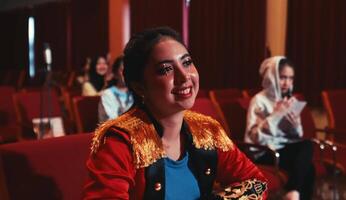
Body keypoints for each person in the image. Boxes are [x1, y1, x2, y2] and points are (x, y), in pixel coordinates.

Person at [83, 27, 268, 199]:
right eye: (166, 69)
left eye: (187, 62)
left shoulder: (207, 131)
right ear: (139, 86)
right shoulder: (120, 142)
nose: (184, 76)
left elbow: (257, 183)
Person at [244, 56, 315, 200]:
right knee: (308, 168)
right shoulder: (258, 100)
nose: (287, 83)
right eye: (283, 77)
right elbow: (254, 138)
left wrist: (295, 125)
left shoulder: (288, 100)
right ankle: (292, 193)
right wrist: (276, 115)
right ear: (272, 76)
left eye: (290, 78)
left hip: (282, 148)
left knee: (308, 156)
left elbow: (297, 135)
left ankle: (292, 193)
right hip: (264, 152)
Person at [98, 56, 134, 122]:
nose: (126, 73)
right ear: (115, 74)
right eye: (122, 70)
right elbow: (112, 120)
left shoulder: (135, 91)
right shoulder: (108, 94)